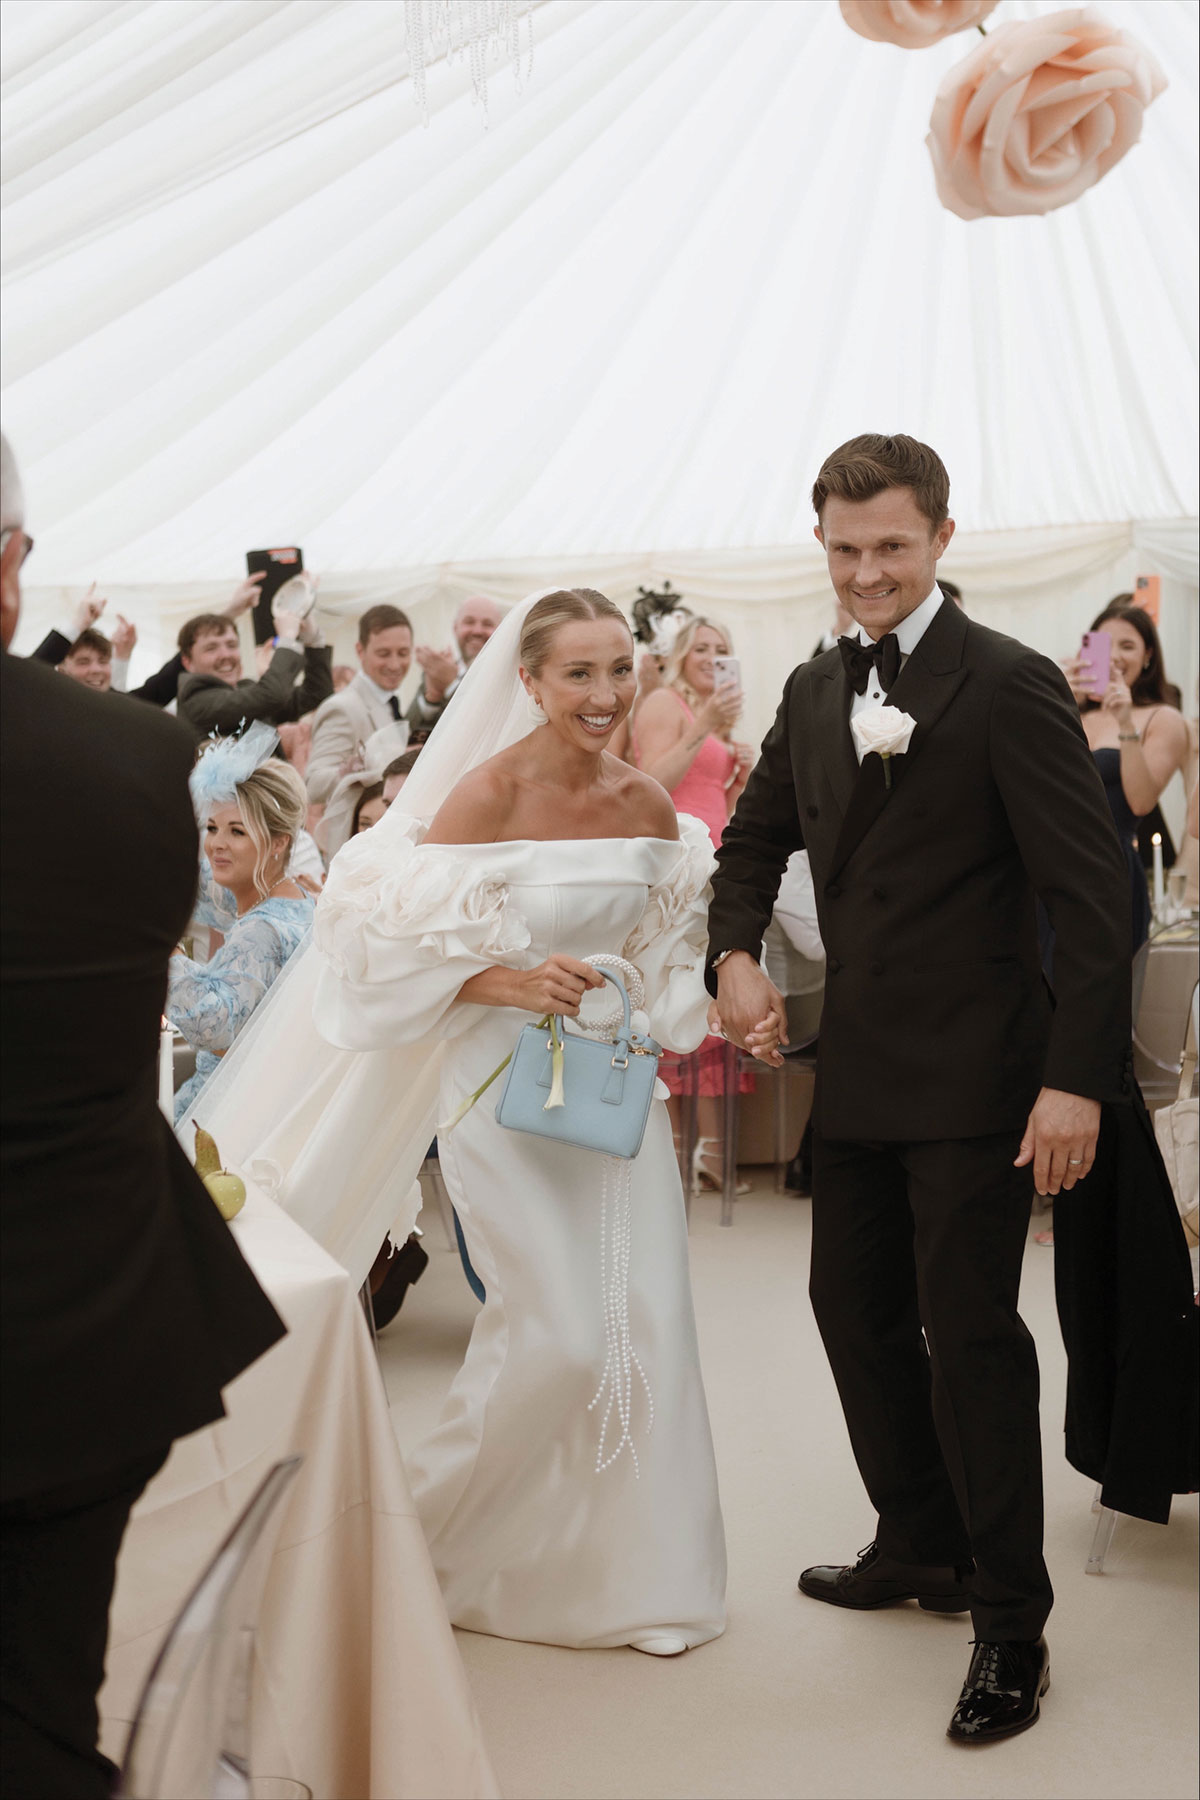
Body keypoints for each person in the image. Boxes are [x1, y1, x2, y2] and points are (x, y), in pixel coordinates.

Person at [192, 588, 727, 1656]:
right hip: (499, 1095)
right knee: (560, 1338)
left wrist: (700, 1009)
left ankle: (640, 1582)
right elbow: (382, 958)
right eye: (577, 672)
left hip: (615, 1097)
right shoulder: (480, 798)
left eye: (619, 668)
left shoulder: (645, 808)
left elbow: (670, 977)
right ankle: (418, 1541)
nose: (604, 693)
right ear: (526, 680)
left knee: (646, 1330)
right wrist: (515, 983)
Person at [707, 433, 1130, 1745]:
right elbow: (753, 837)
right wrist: (730, 955)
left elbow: (1092, 894)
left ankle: (1011, 1625)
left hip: (988, 1077)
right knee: (851, 1310)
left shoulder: (1005, 685)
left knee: (974, 1343)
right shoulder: (808, 682)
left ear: (943, 537)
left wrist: (1076, 1083)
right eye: (843, 549)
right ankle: (923, 1541)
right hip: (870, 1070)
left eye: (890, 545)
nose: (865, 571)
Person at [0, 433, 285, 1800]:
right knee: (48, 1696)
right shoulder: (134, 754)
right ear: (12, 571)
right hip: (84, 1300)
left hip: (82, 1292)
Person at [635, 617, 755, 1193]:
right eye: (702, 648)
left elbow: (717, 796)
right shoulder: (664, 703)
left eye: (722, 648)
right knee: (675, 994)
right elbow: (651, 783)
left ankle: (700, 1151)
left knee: (707, 995)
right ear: (681, 655)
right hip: (675, 862)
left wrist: (741, 780)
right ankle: (668, 1151)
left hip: (718, 858)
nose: (712, 657)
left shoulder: (721, 719)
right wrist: (702, 727)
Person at [169, 729, 314, 1125]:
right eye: (212, 828)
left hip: (223, 1112)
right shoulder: (296, 899)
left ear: (278, 843)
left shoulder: (262, 929)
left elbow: (215, 1025)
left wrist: (167, 952)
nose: (217, 843)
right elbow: (195, 886)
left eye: (237, 831)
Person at [1062, 601, 1188, 953]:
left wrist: (1126, 723)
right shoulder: (1072, 711)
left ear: (1148, 655)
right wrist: (1060, 704)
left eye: (1128, 646)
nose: (1115, 656)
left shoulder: (1162, 718)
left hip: (1109, 870)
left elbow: (1140, 801)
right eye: (1105, 644)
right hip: (1051, 866)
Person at [33, 577, 263, 706]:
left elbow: (169, 677)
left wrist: (230, 614)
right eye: (83, 662)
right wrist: (78, 624)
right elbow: (26, 675)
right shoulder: (47, 708)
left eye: (103, 661)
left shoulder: (124, 708)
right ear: (62, 670)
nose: (96, 670)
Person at [306, 605, 414, 805]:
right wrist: (364, 766)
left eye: (403, 653)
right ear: (360, 650)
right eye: (383, 653)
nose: (395, 664)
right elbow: (313, 784)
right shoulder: (342, 708)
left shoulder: (391, 701)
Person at [176, 603, 332, 742]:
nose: (225, 655)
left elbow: (315, 694)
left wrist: (314, 641)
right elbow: (272, 695)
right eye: (211, 648)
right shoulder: (195, 697)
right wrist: (287, 640)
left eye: (231, 645)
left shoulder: (246, 688)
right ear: (187, 662)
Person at [407, 595, 504, 732]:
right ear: (455, 628)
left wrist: (451, 685)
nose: (477, 631)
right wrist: (433, 696)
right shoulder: (437, 670)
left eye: (487, 624)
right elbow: (407, 732)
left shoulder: (510, 676)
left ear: (501, 631)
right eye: (469, 622)